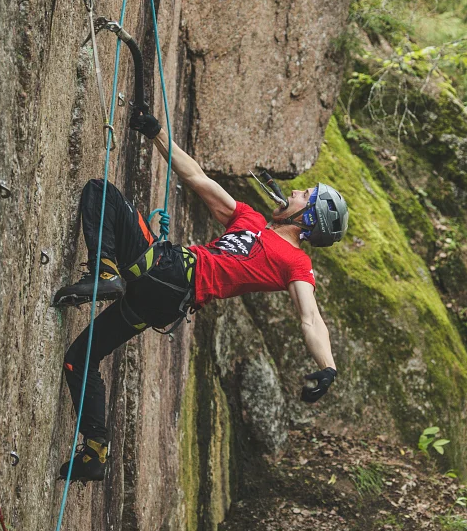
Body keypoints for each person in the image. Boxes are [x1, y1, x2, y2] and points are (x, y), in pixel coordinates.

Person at [52, 113, 349, 482]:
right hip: (161, 303)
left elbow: (311, 317)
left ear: (308, 219)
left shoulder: (296, 262)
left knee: (102, 192)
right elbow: (196, 177)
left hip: (172, 273)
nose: (293, 193)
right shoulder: (249, 219)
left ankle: (105, 275)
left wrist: (328, 364)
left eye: (304, 196)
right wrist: (157, 133)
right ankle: (96, 449)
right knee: (80, 358)